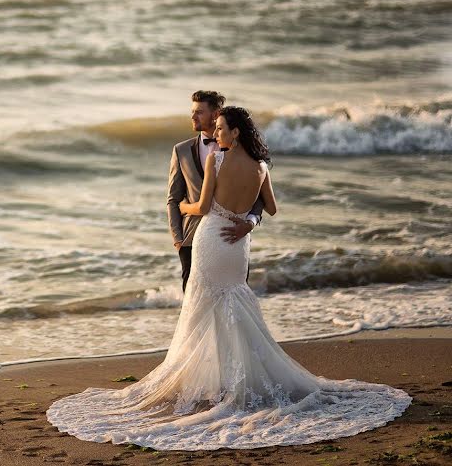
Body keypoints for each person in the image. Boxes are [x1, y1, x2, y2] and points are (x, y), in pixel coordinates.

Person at [46, 107, 411, 450]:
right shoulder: (261, 165)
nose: (216, 133)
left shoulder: (215, 158)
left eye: (221, 128)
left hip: (212, 237)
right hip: (239, 243)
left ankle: (215, 385)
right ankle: (233, 381)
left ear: (235, 133)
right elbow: (270, 208)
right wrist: (246, 219)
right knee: (232, 303)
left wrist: (182, 207)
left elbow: (203, 207)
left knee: (203, 306)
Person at [167, 90, 263, 293]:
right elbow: (173, 198)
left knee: (233, 297)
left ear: (215, 113)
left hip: (232, 237)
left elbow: (260, 196)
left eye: (199, 112)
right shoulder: (181, 151)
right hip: (192, 239)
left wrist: (250, 224)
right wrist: (178, 240)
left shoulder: (243, 154)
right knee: (195, 303)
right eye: (192, 111)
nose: (192, 117)